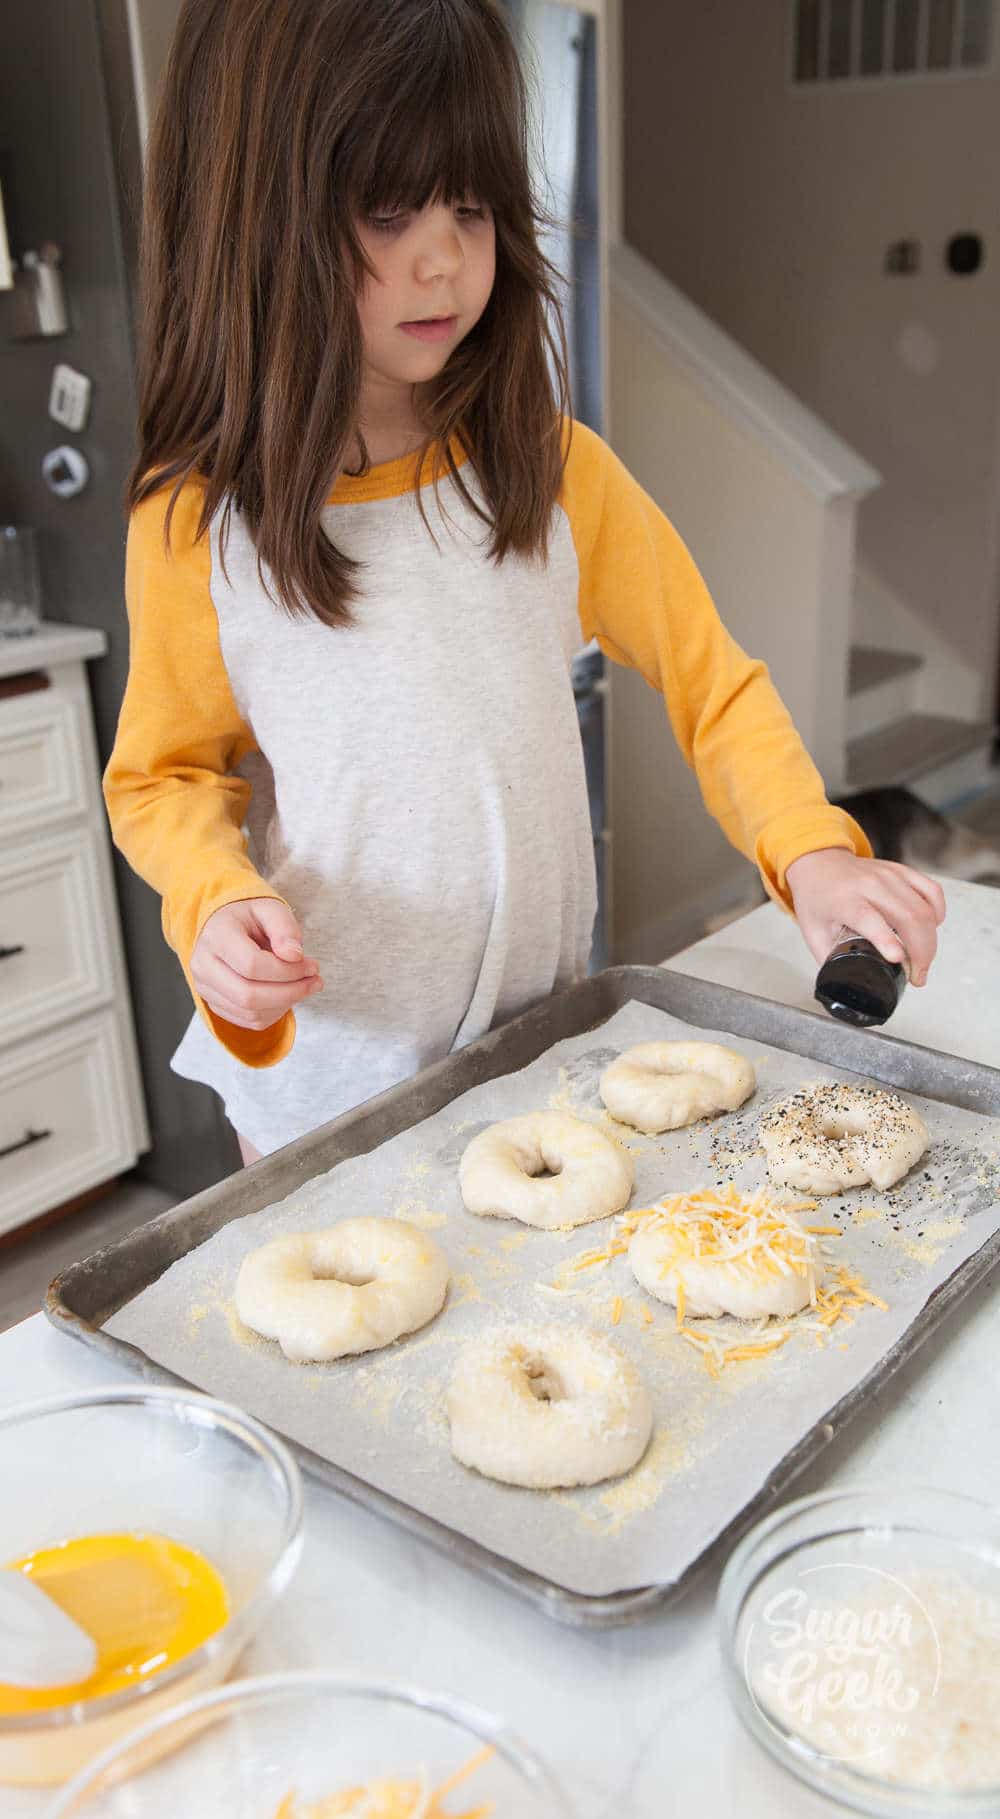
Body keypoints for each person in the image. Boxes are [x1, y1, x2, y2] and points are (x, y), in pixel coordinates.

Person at [104, 0, 945, 1165]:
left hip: (538, 1050)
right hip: (324, 1083)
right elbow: (164, 776)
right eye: (387, 210)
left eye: (472, 204)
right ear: (262, 221)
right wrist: (212, 900)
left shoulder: (552, 473)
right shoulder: (199, 525)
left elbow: (712, 684)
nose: (443, 257)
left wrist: (811, 851)